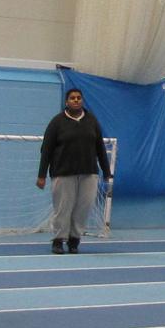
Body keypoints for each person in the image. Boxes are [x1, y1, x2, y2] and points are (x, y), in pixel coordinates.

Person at [36, 87, 111, 255]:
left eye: (78, 98)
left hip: (89, 173)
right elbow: (46, 150)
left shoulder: (92, 121)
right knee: (63, 208)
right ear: (66, 102)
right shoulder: (57, 122)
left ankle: (74, 240)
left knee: (83, 208)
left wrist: (107, 172)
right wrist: (41, 175)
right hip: (63, 173)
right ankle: (58, 240)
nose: (76, 100)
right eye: (72, 98)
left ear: (82, 100)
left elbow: (100, 147)